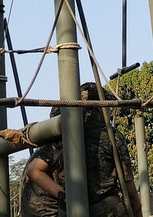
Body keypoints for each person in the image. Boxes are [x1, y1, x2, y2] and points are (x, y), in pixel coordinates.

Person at [21, 83, 143, 217]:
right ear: (98, 108)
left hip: (71, 207)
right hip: (105, 209)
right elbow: (129, 187)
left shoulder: (61, 136)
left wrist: (63, 195)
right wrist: (137, 209)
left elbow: (33, 170)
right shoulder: (112, 136)